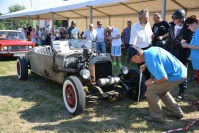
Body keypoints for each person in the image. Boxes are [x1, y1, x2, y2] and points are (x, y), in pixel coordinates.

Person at [127, 47, 186, 123]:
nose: (132, 61)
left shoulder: (150, 60)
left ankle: (156, 117)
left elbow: (163, 78)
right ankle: (178, 113)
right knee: (162, 92)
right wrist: (145, 65)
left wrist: (152, 81)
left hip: (176, 75)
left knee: (151, 91)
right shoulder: (150, 50)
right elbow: (156, 58)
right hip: (180, 71)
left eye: (132, 59)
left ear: (136, 56)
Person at [164, 9, 193, 100]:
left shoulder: (188, 30)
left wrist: (187, 56)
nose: (173, 19)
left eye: (175, 17)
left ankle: (181, 91)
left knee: (183, 73)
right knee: (170, 71)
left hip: (182, 55)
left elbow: (190, 44)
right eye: (172, 17)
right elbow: (168, 42)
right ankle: (167, 88)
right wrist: (164, 52)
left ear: (181, 18)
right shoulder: (171, 28)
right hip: (172, 54)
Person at [129, 9, 153, 80]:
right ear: (140, 19)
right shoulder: (134, 28)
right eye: (145, 18)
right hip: (140, 50)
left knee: (149, 67)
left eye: (148, 17)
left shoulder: (147, 24)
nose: (147, 20)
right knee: (143, 69)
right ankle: (143, 84)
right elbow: (133, 44)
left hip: (149, 48)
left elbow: (150, 36)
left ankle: (147, 82)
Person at [181, 15, 199, 83]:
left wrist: (186, 45)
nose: (188, 28)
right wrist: (186, 43)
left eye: (189, 25)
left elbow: (197, 46)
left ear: (194, 23)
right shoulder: (196, 32)